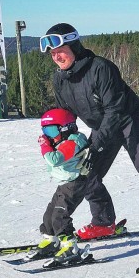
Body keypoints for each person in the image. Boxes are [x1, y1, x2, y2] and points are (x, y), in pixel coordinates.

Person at [39, 23, 139, 245]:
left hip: (128, 120)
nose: (56, 57)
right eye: (53, 53)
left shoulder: (101, 68)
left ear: (74, 46)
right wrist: (63, 143)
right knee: (88, 174)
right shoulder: (60, 79)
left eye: (60, 51)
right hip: (101, 125)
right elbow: (66, 118)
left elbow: (114, 110)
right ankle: (103, 223)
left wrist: (94, 146)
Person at [28, 108, 93, 264]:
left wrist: (45, 145)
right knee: (50, 215)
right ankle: (52, 241)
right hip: (64, 183)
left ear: (65, 128)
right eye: (45, 131)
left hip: (74, 184)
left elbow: (54, 159)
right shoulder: (62, 140)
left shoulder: (73, 142)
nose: (48, 135)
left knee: (60, 217)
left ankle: (71, 248)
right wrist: (49, 140)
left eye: (51, 130)